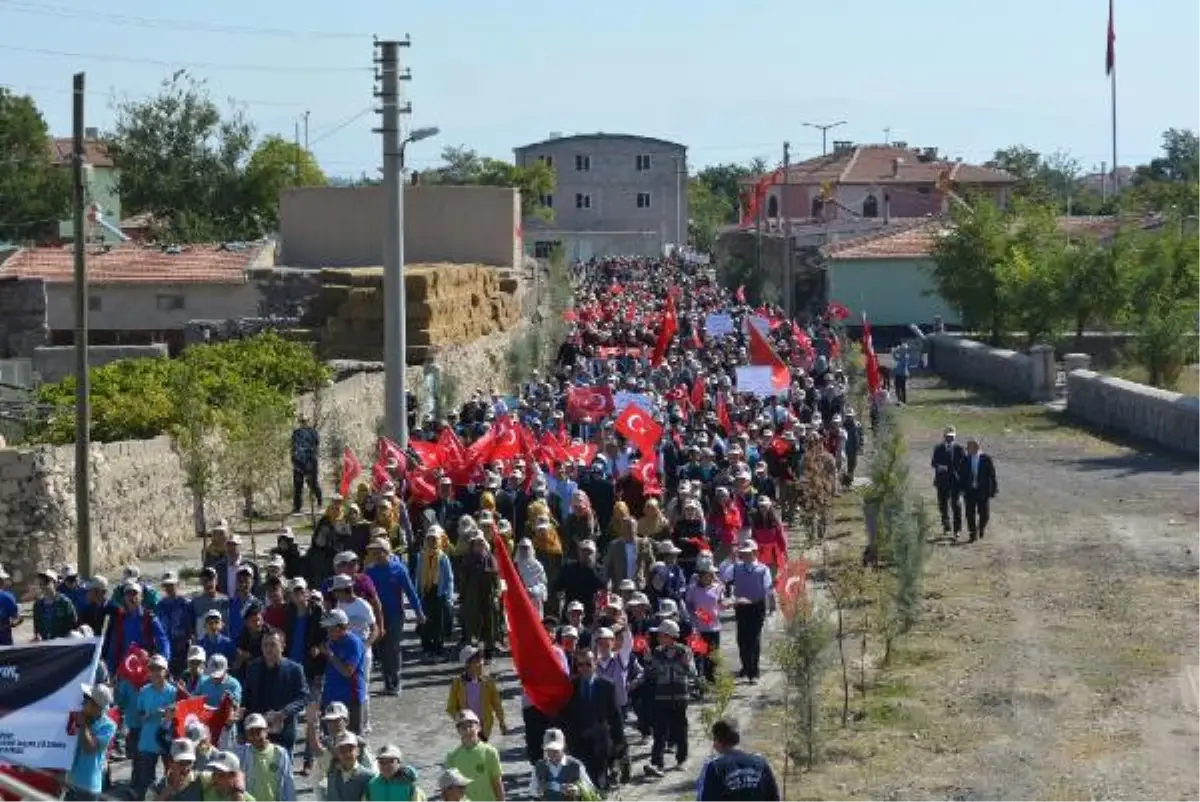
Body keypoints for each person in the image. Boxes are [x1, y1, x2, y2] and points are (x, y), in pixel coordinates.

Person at [363, 537, 425, 696]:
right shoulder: (370, 571)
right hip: (377, 616)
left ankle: (396, 682)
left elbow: (411, 592)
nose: (376, 555)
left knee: (393, 648)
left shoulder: (399, 569)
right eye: (373, 552)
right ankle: (387, 682)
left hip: (396, 615)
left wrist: (419, 613)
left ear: (386, 552)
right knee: (382, 650)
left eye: (379, 552)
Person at [557, 648, 623, 791]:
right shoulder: (569, 686)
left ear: (595, 663)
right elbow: (562, 715)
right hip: (577, 742)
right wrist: (561, 741)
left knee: (598, 780)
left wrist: (619, 741)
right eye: (580, 665)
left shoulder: (606, 686)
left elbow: (615, 715)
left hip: (599, 742)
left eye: (588, 663)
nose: (584, 668)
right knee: (579, 781)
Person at [641, 619, 696, 778]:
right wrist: (648, 662)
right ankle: (657, 763)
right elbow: (651, 674)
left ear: (670, 636)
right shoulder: (657, 652)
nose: (658, 637)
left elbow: (692, 672)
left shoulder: (684, 651)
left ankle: (682, 759)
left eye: (661, 635)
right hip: (662, 696)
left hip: (680, 696)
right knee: (660, 731)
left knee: (680, 728)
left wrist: (680, 665)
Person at [239, 630, 308, 755]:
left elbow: (303, 698)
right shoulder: (252, 667)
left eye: (273, 644)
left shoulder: (295, 669)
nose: (268, 649)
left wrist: (283, 713)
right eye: (265, 645)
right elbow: (246, 697)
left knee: (283, 770)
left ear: (282, 646)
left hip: (283, 729)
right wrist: (241, 727)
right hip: (257, 729)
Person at [695, 717, 781, 802]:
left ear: (716, 742)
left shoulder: (714, 767)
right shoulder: (760, 763)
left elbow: (705, 798)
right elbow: (774, 798)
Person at [724, 541, 771, 683]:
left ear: (755, 553)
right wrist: (729, 560)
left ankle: (753, 672)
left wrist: (770, 608)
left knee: (754, 638)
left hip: (757, 607)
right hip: (741, 606)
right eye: (742, 553)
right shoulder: (735, 568)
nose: (744, 556)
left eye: (748, 553)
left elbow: (767, 589)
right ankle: (746, 666)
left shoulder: (763, 569)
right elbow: (724, 577)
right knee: (742, 639)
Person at [66, 682, 118, 802]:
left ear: (97, 706)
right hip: (71, 782)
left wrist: (83, 725)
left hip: (88, 787)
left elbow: (89, 748)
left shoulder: (109, 726)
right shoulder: (78, 715)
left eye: (87, 699)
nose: (83, 701)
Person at [319, 609, 368, 734]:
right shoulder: (331, 641)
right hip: (330, 696)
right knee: (329, 738)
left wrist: (330, 655)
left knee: (352, 738)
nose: (327, 632)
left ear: (342, 627)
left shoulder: (353, 643)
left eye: (330, 628)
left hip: (350, 697)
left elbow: (348, 671)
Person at [445, 645, 507, 741]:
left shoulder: (488, 682)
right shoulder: (457, 683)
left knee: (482, 749)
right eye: (477, 661)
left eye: (481, 660)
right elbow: (451, 707)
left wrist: (502, 722)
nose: (481, 663)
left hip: (484, 724)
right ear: (467, 664)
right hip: (467, 726)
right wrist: (460, 718)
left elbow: (497, 703)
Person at [233, 714, 296, 802]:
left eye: (258, 732)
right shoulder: (242, 753)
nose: (255, 737)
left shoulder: (279, 753)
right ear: (246, 735)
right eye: (251, 733)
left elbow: (288, 783)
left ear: (266, 731)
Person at [445, 710, 504, 802]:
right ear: (458, 731)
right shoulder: (452, 757)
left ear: (479, 727)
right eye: (463, 728)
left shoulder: (489, 752)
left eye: (470, 726)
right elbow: (450, 791)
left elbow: (497, 782)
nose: (467, 731)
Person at [532, 728, 599, 802]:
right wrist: (539, 790)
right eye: (549, 750)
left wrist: (577, 790)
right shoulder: (539, 766)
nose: (552, 753)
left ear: (564, 747)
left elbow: (590, 788)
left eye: (556, 750)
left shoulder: (576, 765)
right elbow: (532, 791)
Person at [958, 437, 998, 542]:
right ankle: (972, 534)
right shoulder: (966, 460)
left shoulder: (986, 459)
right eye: (967, 448)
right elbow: (962, 476)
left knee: (985, 514)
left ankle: (980, 527)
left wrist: (993, 489)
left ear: (975, 447)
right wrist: (961, 489)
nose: (967, 450)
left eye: (969, 448)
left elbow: (992, 475)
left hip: (983, 491)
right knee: (969, 514)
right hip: (969, 491)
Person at [931, 426, 966, 538]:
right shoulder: (938, 448)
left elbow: (964, 464)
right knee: (943, 506)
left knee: (956, 505)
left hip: (955, 482)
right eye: (948, 437)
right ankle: (946, 526)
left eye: (952, 437)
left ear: (955, 437)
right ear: (944, 436)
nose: (950, 439)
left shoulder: (960, 449)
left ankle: (957, 530)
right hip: (941, 482)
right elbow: (933, 463)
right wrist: (939, 467)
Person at [324, 731, 374, 802]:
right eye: (342, 751)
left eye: (350, 750)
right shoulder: (332, 773)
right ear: (337, 753)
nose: (346, 754)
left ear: (358, 751)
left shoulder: (368, 777)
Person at [33, 567, 77, 640]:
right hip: (45, 646)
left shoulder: (65, 602)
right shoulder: (37, 605)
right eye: (40, 583)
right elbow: (37, 628)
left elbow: (73, 625)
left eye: (46, 582)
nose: (43, 586)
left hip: (62, 645)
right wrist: (37, 636)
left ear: (55, 583)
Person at [291, 416, 322, 515]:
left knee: (313, 483)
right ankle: (297, 507)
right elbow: (292, 447)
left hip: (310, 461)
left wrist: (312, 458)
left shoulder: (313, 432)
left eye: (305, 421)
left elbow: (317, 445)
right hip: (298, 461)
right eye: (302, 421)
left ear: (308, 421)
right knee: (298, 486)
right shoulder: (296, 433)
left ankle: (320, 503)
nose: (303, 423)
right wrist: (293, 459)